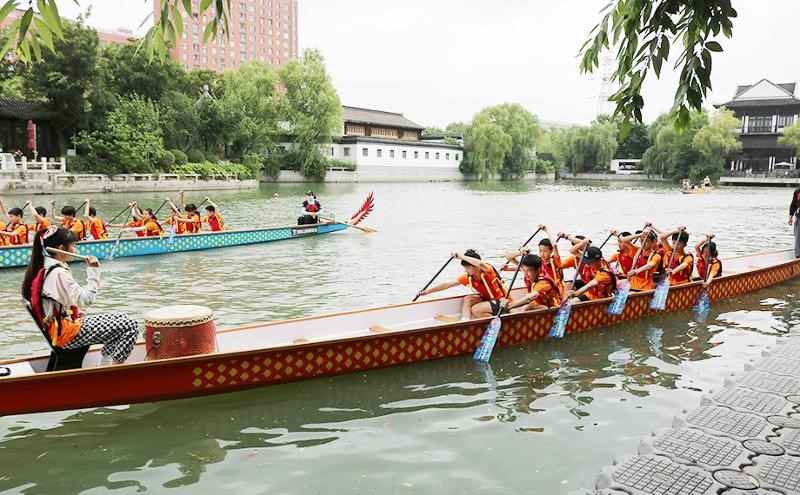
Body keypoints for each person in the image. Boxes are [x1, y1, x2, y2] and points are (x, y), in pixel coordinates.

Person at [21, 226, 138, 366]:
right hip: (66, 333)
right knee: (130, 325)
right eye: (74, 245)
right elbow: (86, 300)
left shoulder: (43, 266)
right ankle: (116, 370)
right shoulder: (59, 273)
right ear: (62, 248)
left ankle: (105, 366)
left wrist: (72, 312)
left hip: (60, 329)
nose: (76, 250)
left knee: (121, 318)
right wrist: (94, 270)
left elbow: (57, 301)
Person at [416, 249, 511, 320]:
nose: (465, 270)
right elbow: (447, 284)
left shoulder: (488, 270)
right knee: (468, 299)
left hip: (504, 301)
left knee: (476, 309)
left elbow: (480, 264)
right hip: (489, 300)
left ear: (475, 266)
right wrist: (427, 291)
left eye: (468, 267)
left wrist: (461, 256)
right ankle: (465, 322)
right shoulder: (469, 277)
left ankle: (494, 325)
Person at [789, 186, 800, 258]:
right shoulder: (797, 191)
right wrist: (790, 217)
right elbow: (793, 204)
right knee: (797, 235)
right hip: (798, 216)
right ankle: (798, 256)